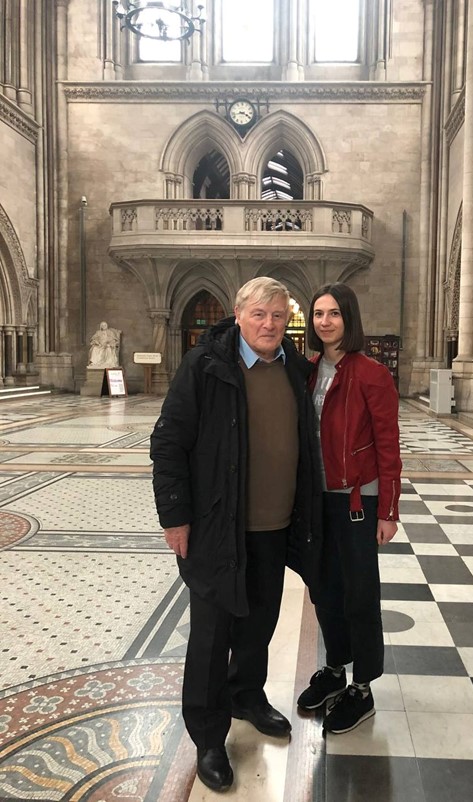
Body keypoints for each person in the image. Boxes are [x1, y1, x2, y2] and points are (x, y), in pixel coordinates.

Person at [150, 277, 321, 792]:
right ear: (239, 314)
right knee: (211, 635)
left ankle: (247, 696)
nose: (269, 324)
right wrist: (175, 516)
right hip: (216, 527)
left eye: (278, 315)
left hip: (275, 525)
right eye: (259, 314)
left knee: (259, 621)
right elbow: (168, 442)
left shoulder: (293, 367)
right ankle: (208, 737)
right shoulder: (205, 365)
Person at [297, 283, 402, 734]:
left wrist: (389, 510)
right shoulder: (308, 371)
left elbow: (388, 444)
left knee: (359, 593)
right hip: (317, 500)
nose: (325, 321)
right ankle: (335, 668)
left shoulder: (371, 374)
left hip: (359, 500)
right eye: (318, 313)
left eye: (334, 313)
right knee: (324, 589)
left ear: (349, 318)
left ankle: (363, 687)